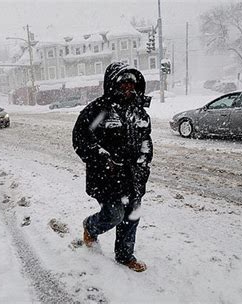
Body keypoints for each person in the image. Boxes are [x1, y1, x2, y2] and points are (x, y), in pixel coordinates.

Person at [72, 62, 153, 272]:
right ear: (112, 85)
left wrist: (144, 163)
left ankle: (125, 256)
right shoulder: (99, 110)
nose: (128, 88)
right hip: (107, 177)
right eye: (123, 84)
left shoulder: (139, 112)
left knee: (132, 215)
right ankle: (90, 227)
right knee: (114, 214)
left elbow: (146, 141)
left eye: (131, 84)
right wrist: (104, 159)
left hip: (134, 176)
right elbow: (81, 139)